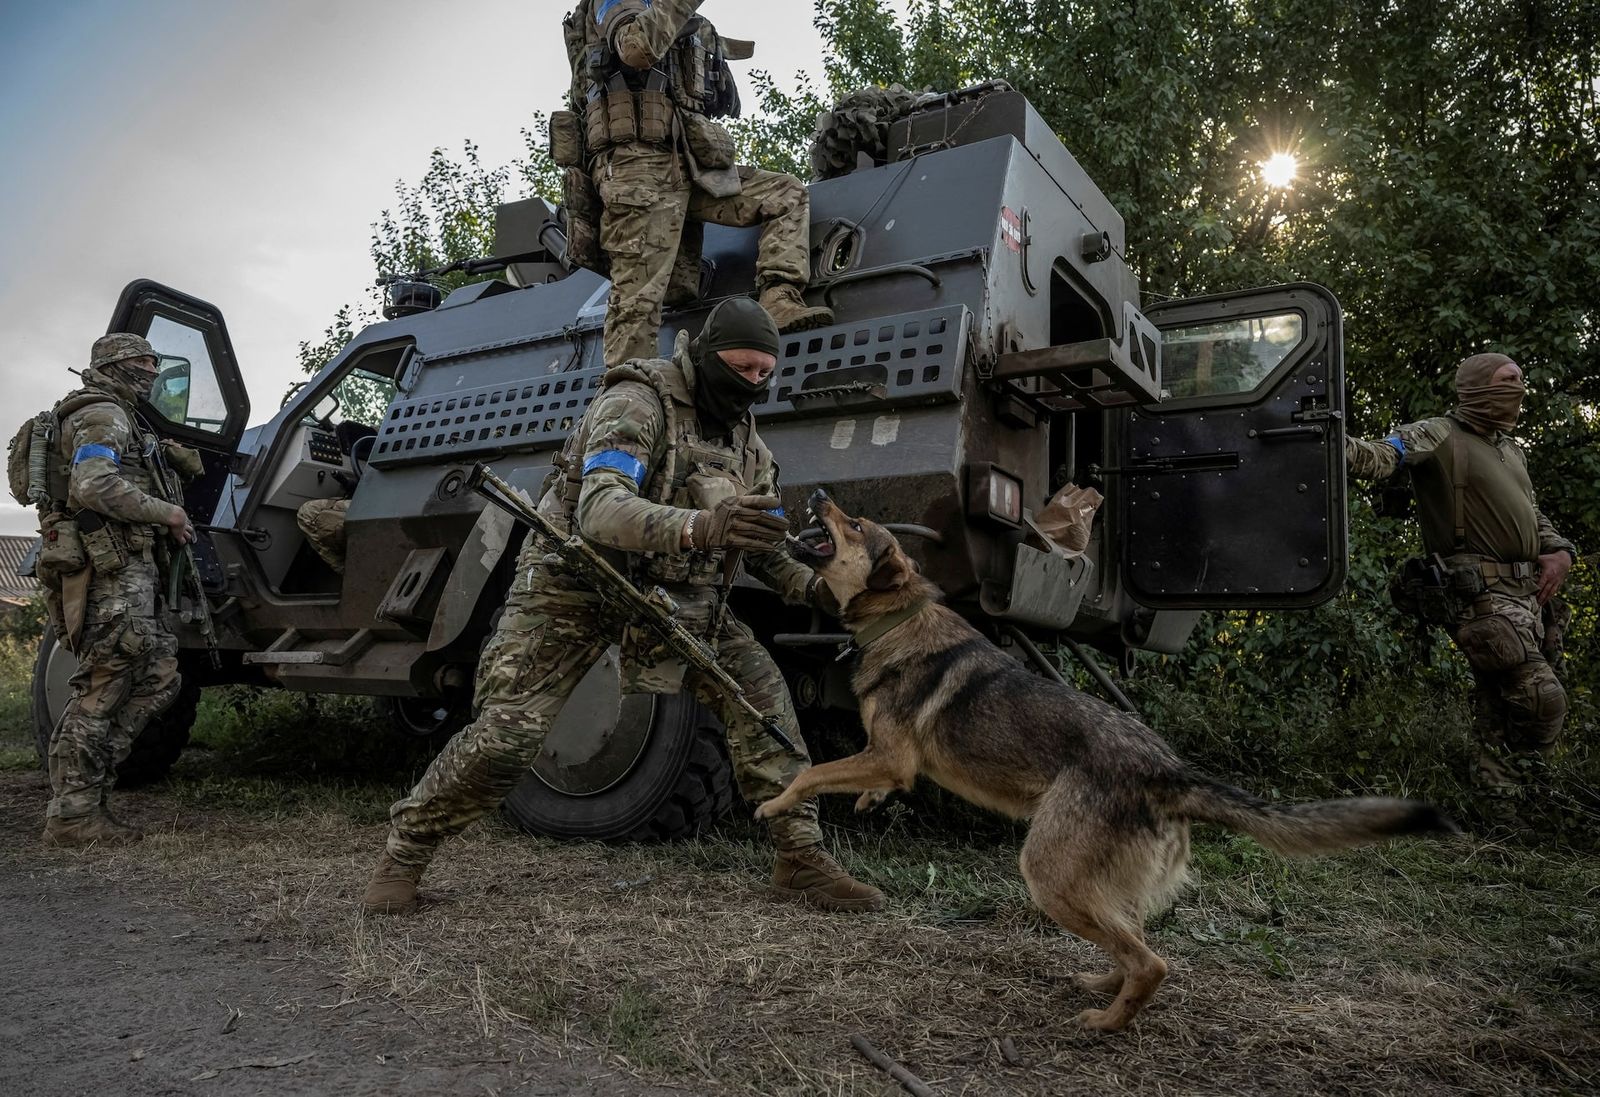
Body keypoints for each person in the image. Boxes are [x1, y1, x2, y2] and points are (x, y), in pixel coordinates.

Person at [362, 298, 882, 915]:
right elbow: (600, 511)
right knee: (508, 737)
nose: (751, 386)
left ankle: (800, 859)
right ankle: (405, 854)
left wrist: (818, 588)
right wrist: (703, 528)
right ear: (706, 357)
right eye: (740, 369)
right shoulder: (637, 404)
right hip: (574, 584)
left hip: (674, 595)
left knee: (766, 708)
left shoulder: (749, 449)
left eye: (764, 375)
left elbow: (764, 549)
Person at [1346, 353, 1577, 827]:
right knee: (1541, 698)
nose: (1518, 387)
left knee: (1501, 702)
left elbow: (1534, 517)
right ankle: (1517, 791)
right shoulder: (1440, 433)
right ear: (1474, 387)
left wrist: (1559, 551)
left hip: (1528, 595)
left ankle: (1500, 809)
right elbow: (1382, 455)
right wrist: (1327, 441)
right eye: (1506, 380)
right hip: (1479, 596)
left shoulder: (1511, 449)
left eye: (1520, 379)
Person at [566, 0, 833, 366]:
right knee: (637, 308)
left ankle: (778, 298)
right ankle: (629, 396)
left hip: (688, 163)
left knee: (784, 193)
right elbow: (635, 48)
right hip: (636, 170)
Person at [38, 333, 201, 846]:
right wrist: (168, 512)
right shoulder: (104, 414)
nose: (153, 371)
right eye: (144, 361)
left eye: (154, 361)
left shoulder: (124, 416)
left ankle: (90, 791)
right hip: (112, 570)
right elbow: (93, 484)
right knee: (105, 683)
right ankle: (72, 813)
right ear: (119, 365)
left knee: (159, 675)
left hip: (131, 567)